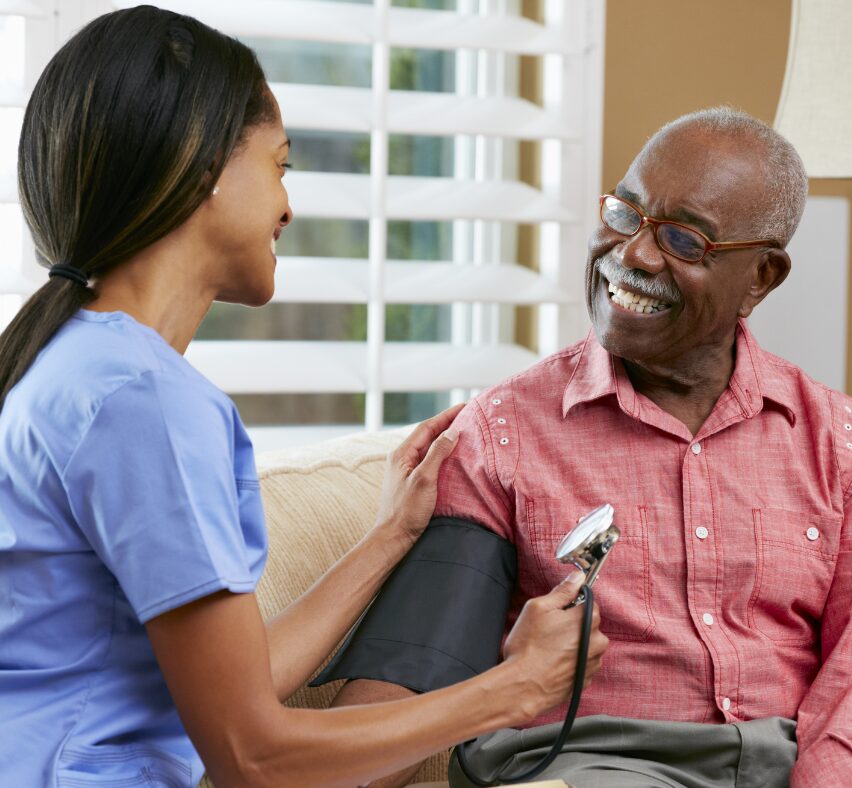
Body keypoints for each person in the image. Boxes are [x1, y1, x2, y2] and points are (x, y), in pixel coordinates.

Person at [0, 7, 609, 787]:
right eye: (280, 164)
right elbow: (254, 756)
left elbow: (239, 687)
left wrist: (388, 536)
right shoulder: (142, 401)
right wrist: (513, 689)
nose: (289, 207)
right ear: (201, 164)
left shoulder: (72, 366)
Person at [331, 108, 852, 787]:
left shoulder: (846, 448)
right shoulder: (499, 437)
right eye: (624, 213)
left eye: (683, 240)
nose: (635, 255)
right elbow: (397, 697)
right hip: (592, 769)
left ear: (762, 277)